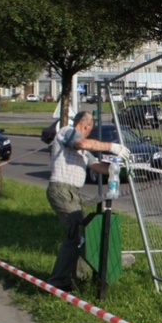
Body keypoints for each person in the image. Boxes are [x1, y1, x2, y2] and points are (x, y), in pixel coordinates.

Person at [46, 111, 132, 292]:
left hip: (72, 193)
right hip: (62, 190)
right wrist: (112, 147)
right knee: (75, 235)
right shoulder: (67, 132)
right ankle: (59, 281)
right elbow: (82, 142)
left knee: (81, 234)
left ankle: (75, 276)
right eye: (89, 129)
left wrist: (118, 169)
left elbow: (95, 166)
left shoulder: (82, 150)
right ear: (86, 126)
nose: (88, 133)